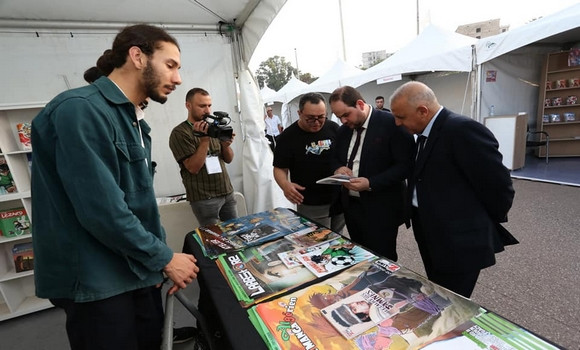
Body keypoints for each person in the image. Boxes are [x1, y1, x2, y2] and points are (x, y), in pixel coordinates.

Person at [31, 24, 200, 350]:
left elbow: (139, 205)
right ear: (137, 56)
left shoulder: (135, 121)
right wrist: (164, 258)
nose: (178, 79)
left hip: (133, 271)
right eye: (171, 65)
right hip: (97, 280)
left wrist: (157, 265)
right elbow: (102, 210)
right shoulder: (79, 109)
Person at [389, 81, 517, 298]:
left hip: (459, 241)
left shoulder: (461, 129)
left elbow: (499, 186)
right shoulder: (423, 134)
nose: (397, 123)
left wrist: (477, 222)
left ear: (422, 111)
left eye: (401, 116)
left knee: (452, 300)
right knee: (438, 291)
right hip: (430, 232)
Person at [329, 86, 414, 262]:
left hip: (381, 208)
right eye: (339, 117)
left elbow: (405, 166)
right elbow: (333, 158)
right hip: (352, 206)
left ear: (360, 104)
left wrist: (371, 182)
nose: (343, 120)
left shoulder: (391, 123)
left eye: (346, 114)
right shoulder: (344, 130)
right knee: (359, 255)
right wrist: (338, 169)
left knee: (383, 259)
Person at [273, 92, 345, 233]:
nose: (317, 122)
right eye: (310, 118)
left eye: (321, 117)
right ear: (300, 113)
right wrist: (285, 185)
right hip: (311, 202)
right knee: (318, 241)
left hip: (339, 197)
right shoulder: (287, 137)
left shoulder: (333, 128)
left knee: (339, 240)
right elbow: (279, 168)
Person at [169, 88, 237, 226]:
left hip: (226, 192)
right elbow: (193, 168)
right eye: (202, 106)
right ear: (188, 105)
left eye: (209, 105)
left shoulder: (213, 128)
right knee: (214, 240)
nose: (207, 110)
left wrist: (225, 145)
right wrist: (204, 140)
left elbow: (228, 159)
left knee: (236, 232)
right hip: (204, 198)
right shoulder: (180, 133)